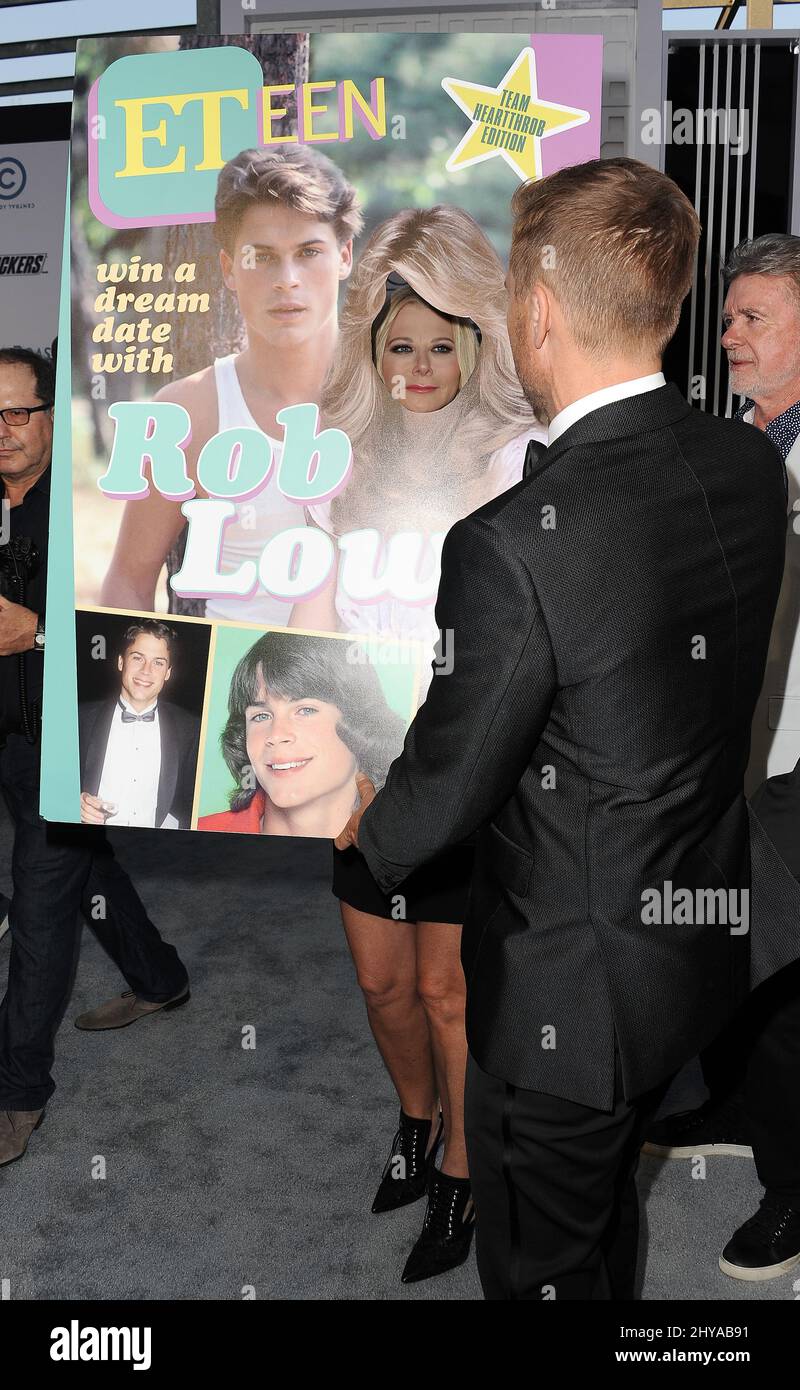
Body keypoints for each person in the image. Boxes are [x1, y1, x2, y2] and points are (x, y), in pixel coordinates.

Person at [335, 157, 790, 1300]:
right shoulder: (745, 460)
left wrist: (366, 834)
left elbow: (446, 780)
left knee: (543, 1259)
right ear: (674, 307)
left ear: (533, 311)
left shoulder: (510, 543)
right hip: (689, 936)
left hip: (566, 994)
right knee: (593, 1225)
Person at [292, 205, 544, 1284]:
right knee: (383, 988)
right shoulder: (332, 464)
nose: (422, 363)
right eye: (400, 344)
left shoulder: (516, 460)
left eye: (444, 341)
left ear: (478, 345)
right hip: (359, 770)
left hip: (460, 777)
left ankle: (459, 1169)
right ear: (373, 353)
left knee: (449, 993)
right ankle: (411, 1117)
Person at [644, 233, 800, 1283]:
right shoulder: (735, 437)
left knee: (783, 973)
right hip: (714, 750)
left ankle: (793, 1185)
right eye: (727, 313)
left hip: (788, 761)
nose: (727, 332)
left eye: (751, 316)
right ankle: (742, 1107)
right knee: (723, 951)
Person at [0, 349, 189, 1169]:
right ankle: (160, 978)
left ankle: (17, 1093)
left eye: (18, 412)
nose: (3, 431)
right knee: (89, 871)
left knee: (41, 911)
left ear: (52, 415)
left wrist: (37, 631)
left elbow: (142, 630)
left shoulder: (90, 511)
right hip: (5, 734)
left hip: (64, 744)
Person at [99, 145, 361, 620]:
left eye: (309, 253)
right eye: (262, 256)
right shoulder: (187, 411)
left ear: (344, 256)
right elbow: (127, 582)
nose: (287, 280)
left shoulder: (400, 393)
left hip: (382, 690)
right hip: (234, 688)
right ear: (228, 270)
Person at [198, 630, 405, 838]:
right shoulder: (201, 835)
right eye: (261, 716)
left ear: (362, 723)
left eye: (306, 710)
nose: (276, 735)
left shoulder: (409, 844)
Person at [79, 619, 200, 831]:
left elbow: (195, 801)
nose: (146, 670)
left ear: (168, 673)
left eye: (158, 663)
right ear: (120, 662)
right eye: (137, 658)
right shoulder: (80, 719)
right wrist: (73, 802)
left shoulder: (191, 729)